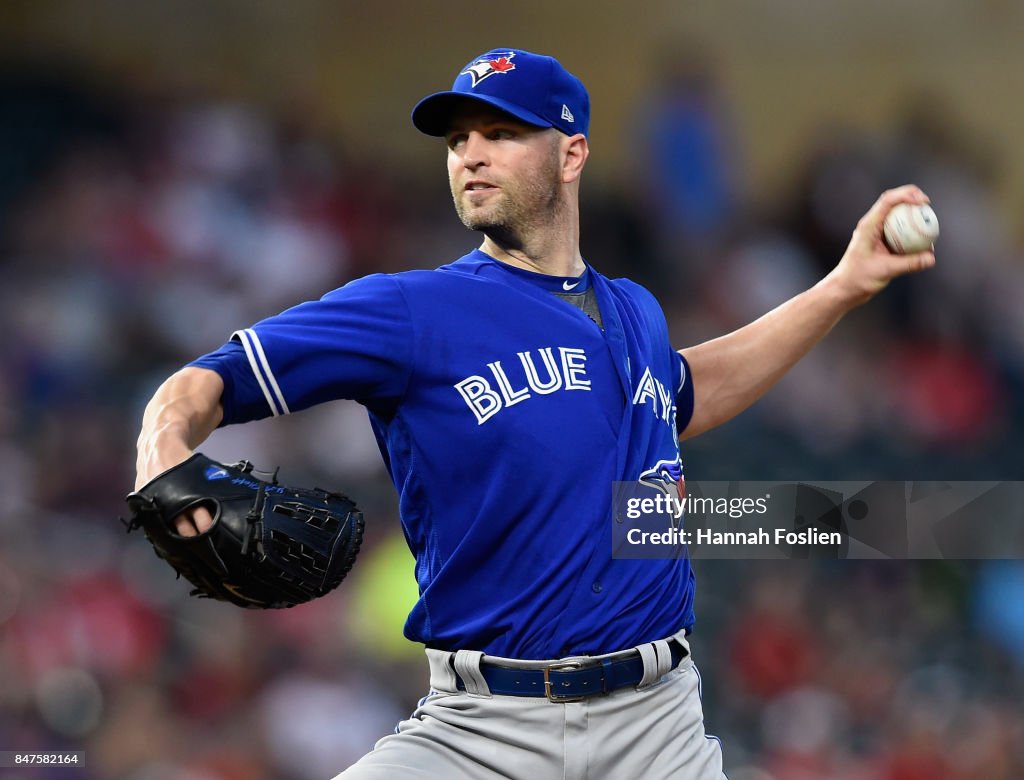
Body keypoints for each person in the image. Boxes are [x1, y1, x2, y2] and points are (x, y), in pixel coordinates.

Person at [134, 48, 936, 779]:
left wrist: (844, 285)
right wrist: (163, 451)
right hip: (478, 731)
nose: (471, 154)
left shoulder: (633, 313)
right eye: (457, 140)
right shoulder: (412, 310)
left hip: (658, 731)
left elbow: (691, 390)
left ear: (572, 152)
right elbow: (207, 382)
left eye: (500, 132)